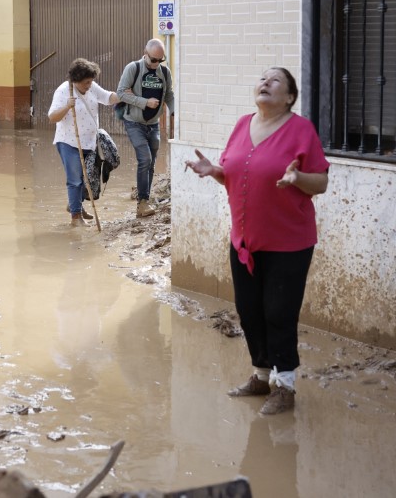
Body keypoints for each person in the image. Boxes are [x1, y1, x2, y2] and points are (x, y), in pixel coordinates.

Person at [184, 67, 329, 415]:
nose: (265, 83)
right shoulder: (242, 124)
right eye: (262, 79)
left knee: (279, 313)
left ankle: (286, 385)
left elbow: (320, 183)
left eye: (275, 80)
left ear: (289, 97)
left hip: (289, 242)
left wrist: (297, 177)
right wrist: (215, 172)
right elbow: (234, 175)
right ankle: (261, 375)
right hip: (245, 240)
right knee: (250, 312)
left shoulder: (300, 129)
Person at [48, 58, 119, 227]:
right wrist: (66, 107)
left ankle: (75, 205)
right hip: (69, 142)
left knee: (89, 178)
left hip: (90, 142)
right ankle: (75, 217)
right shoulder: (63, 91)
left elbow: (107, 98)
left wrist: (122, 96)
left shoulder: (92, 87)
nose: (89, 85)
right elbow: (52, 117)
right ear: (76, 80)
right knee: (75, 180)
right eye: (86, 82)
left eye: (91, 81)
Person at [116, 39, 175, 218]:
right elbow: (120, 92)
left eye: (160, 60)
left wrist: (175, 113)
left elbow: (169, 95)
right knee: (145, 158)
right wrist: (144, 102)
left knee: (151, 163)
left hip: (154, 124)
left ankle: (145, 199)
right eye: (153, 60)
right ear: (145, 53)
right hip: (134, 122)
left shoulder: (164, 72)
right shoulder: (133, 68)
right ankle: (142, 203)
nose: (156, 63)